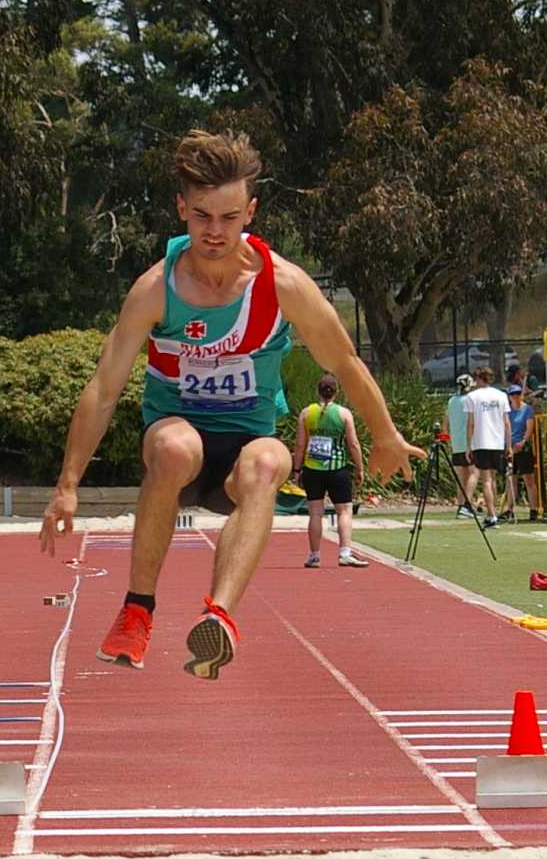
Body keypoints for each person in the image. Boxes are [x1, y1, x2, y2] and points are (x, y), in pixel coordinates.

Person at [39, 129, 422, 680]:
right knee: (173, 448)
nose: (214, 232)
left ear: (251, 212)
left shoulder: (283, 285)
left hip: (246, 441)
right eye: (200, 217)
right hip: (178, 438)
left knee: (269, 462)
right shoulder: (156, 289)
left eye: (228, 217)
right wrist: (67, 485)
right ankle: (137, 610)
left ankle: (218, 617)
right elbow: (103, 389)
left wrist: (384, 434)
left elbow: (344, 363)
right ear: (181, 209)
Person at [293, 373, 369, 568]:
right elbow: (353, 444)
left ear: (318, 391)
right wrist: (360, 468)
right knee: (344, 511)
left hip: (312, 469)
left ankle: (314, 555)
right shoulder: (344, 414)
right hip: (337, 469)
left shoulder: (306, 413)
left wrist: (297, 470)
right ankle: (345, 552)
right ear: (336, 392)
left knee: (315, 513)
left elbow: (300, 445)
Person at [464, 367, 511, 529]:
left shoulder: (472, 397)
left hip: (481, 442)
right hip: (497, 442)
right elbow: (507, 423)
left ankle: (491, 516)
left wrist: (468, 445)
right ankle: (493, 512)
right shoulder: (501, 395)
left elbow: (470, 423)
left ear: (479, 378)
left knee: (486, 480)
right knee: (492, 479)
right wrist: (508, 445)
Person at [444, 374, 478, 518]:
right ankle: (467, 506)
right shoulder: (471, 400)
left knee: (461, 478)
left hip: (456, 445)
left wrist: (449, 441)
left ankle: (460, 506)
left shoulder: (451, 401)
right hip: (469, 444)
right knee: (474, 473)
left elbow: (445, 423)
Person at [504, 384, 539, 521]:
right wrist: (508, 446)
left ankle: (533, 509)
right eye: (513, 394)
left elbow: (529, 427)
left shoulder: (527, 410)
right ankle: (510, 508)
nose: (516, 397)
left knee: (528, 479)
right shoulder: (507, 411)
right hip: (509, 448)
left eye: (518, 394)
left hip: (522, 448)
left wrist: (523, 441)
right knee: (510, 480)